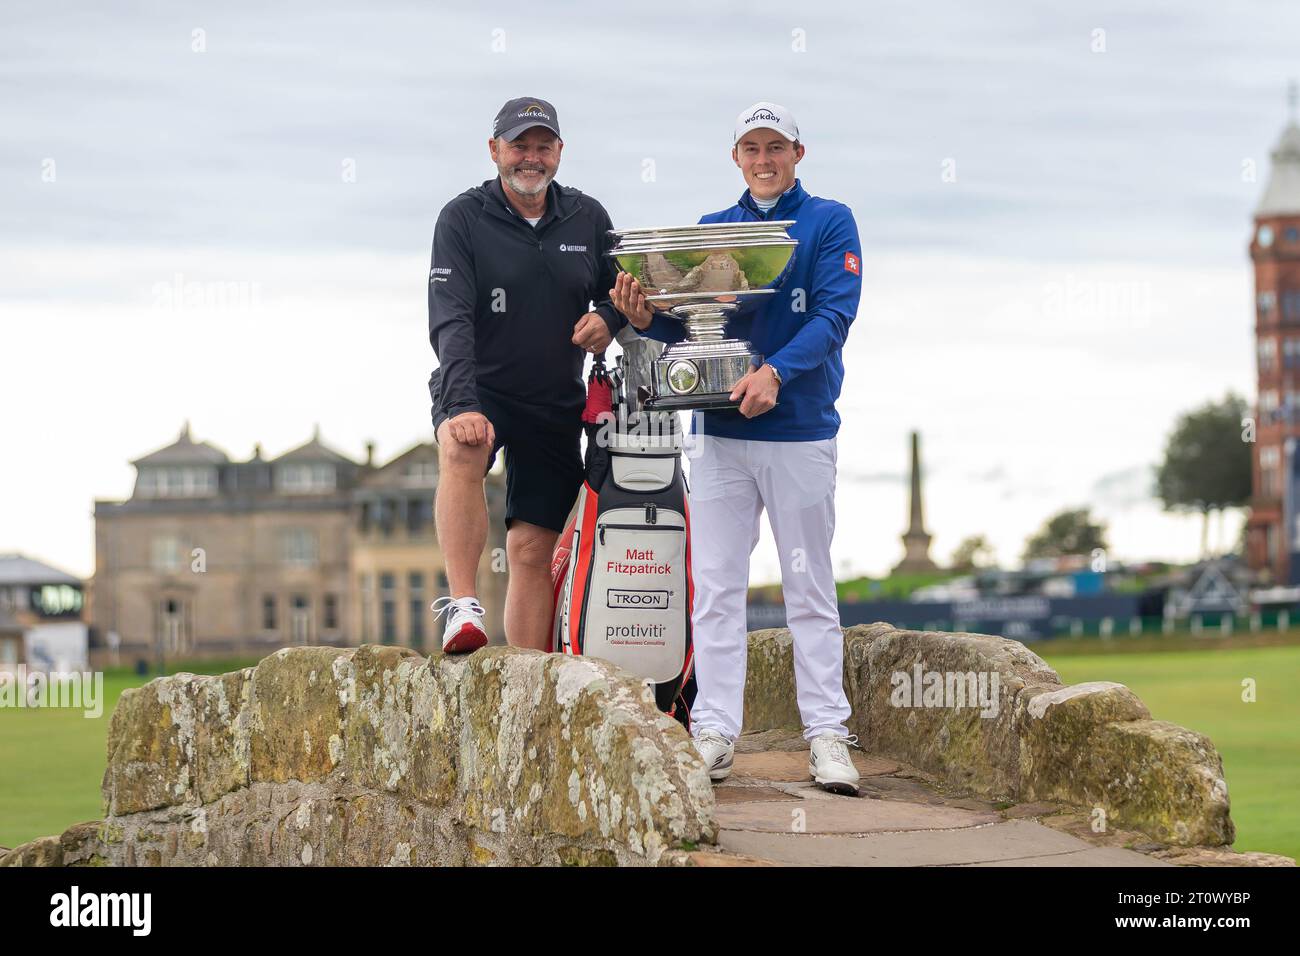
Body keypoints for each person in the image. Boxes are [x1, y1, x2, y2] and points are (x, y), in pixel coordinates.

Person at [611, 102, 863, 795]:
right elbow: (689, 336)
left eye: (775, 146)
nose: (763, 159)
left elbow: (836, 316)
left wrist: (775, 372)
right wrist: (643, 322)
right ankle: (715, 729)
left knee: (807, 587)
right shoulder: (714, 232)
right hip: (720, 432)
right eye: (751, 148)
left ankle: (828, 737)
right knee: (718, 588)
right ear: (736, 158)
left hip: (800, 430)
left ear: (798, 153)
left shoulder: (829, 221)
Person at [428, 96, 625, 653]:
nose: (530, 158)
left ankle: (530, 675)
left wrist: (607, 318)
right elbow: (452, 320)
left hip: (553, 398)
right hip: (478, 386)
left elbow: (624, 291)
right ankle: (464, 607)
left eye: (543, 146)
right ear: (495, 151)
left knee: (533, 551)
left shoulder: (587, 217)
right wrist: (463, 405)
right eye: (519, 146)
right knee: (463, 448)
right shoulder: (462, 218)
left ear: (560, 152)